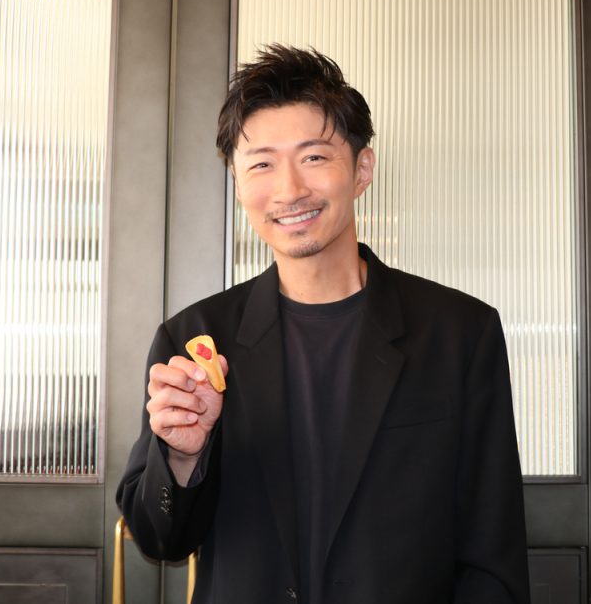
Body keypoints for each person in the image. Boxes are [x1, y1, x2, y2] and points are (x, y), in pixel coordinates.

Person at [117, 44, 531, 603]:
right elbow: (159, 539)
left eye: (313, 157)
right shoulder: (196, 339)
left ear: (362, 169)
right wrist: (183, 455)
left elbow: (492, 552)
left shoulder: (460, 333)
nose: (289, 190)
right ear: (237, 182)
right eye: (261, 163)